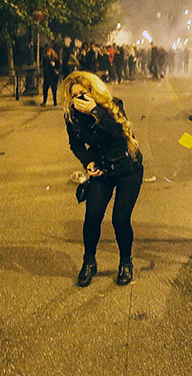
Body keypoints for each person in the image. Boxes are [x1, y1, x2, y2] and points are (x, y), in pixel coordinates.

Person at [62, 71, 145, 287]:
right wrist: (88, 163)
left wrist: (95, 111)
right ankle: (89, 262)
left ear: (93, 91)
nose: (79, 99)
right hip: (102, 169)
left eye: (83, 93)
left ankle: (126, 262)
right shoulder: (72, 116)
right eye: (74, 96)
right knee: (92, 216)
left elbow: (120, 134)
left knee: (120, 219)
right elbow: (76, 144)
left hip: (128, 168)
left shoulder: (112, 105)